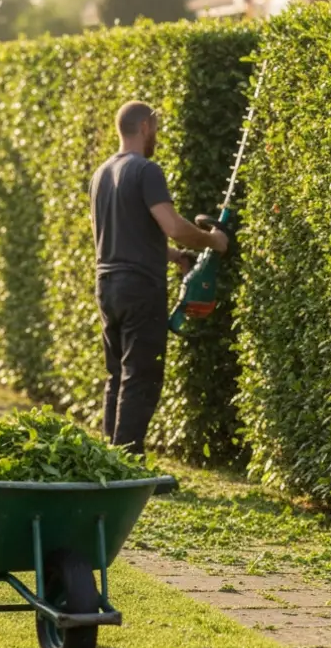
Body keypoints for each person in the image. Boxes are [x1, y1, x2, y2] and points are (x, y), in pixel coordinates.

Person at [89, 101, 229, 456]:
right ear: (146, 127)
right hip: (139, 286)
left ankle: (109, 459)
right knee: (141, 375)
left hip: (107, 284)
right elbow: (172, 225)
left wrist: (171, 256)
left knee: (117, 374)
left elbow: (115, 234)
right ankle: (128, 462)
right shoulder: (146, 170)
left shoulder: (101, 173)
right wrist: (214, 240)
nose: (157, 135)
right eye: (157, 127)